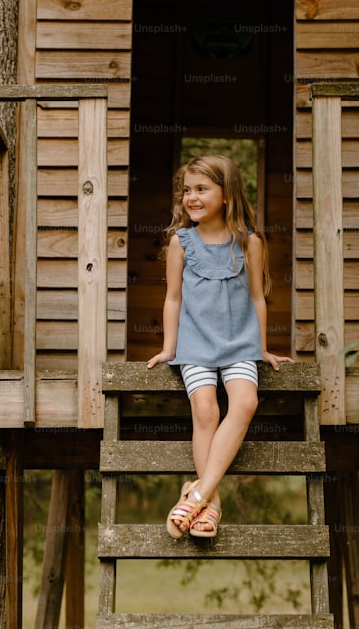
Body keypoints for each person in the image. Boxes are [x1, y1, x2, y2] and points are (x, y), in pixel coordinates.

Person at [146, 154, 292, 539]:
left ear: (226, 195)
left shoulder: (249, 242)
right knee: (206, 409)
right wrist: (168, 348)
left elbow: (258, 298)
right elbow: (173, 298)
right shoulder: (182, 241)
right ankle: (210, 504)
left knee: (245, 402)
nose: (191, 198)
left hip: (240, 344)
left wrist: (261, 348)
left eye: (201, 189)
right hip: (195, 345)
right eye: (187, 191)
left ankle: (195, 495)